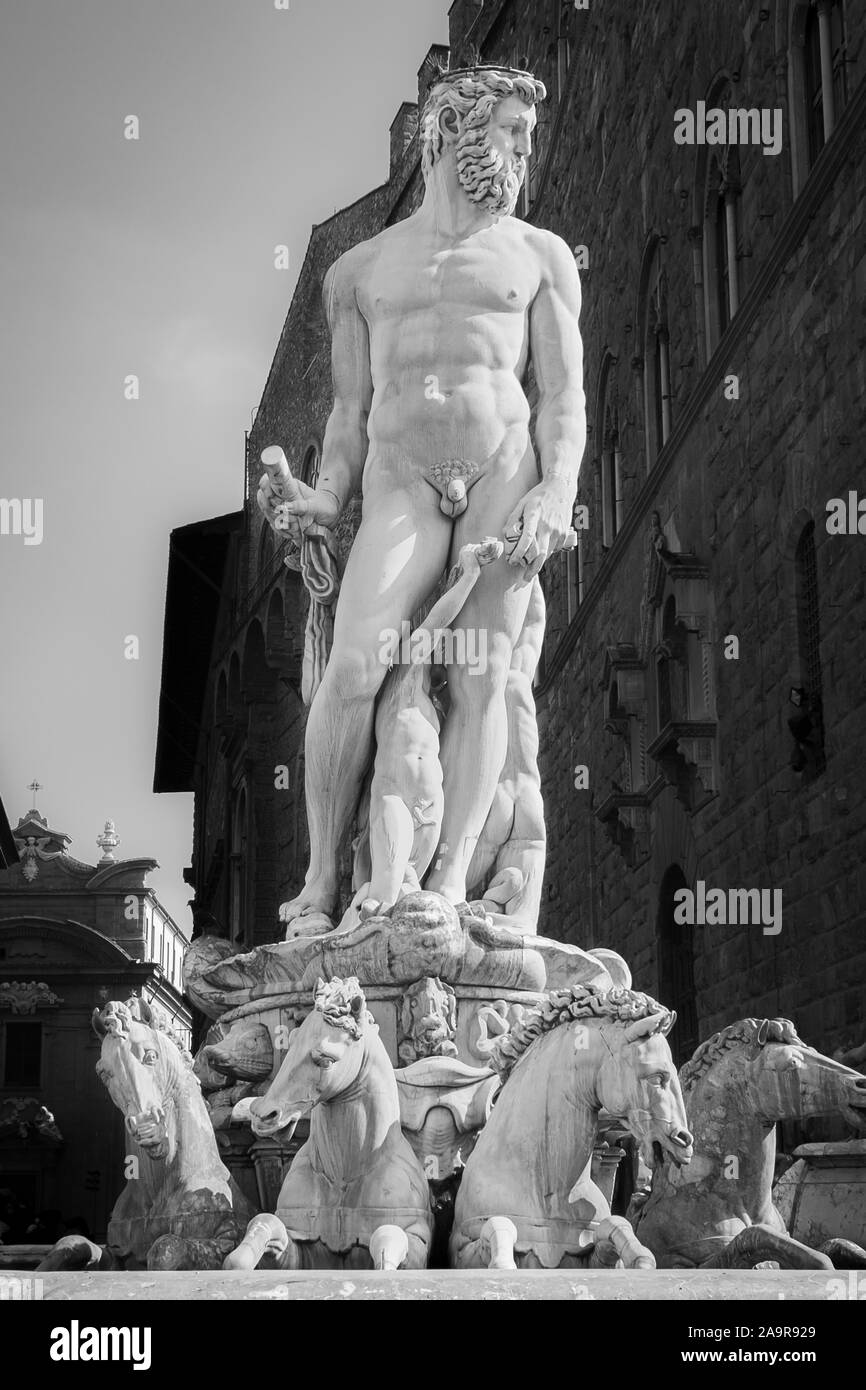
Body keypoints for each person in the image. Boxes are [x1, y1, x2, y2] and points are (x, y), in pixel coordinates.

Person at [258, 66, 585, 931]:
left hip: (502, 475)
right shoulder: (357, 272)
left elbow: (562, 398)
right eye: (512, 130)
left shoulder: (540, 256)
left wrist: (557, 488)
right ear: (453, 130)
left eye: (525, 136)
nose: (524, 151)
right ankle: (323, 881)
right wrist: (322, 499)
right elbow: (348, 413)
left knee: (482, 680)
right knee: (356, 666)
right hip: (400, 479)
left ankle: (446, 886)